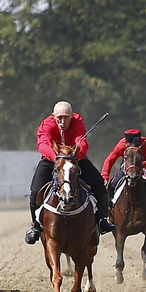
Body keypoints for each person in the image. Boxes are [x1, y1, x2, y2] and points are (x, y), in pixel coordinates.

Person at [24, 101, 115, 245]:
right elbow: (43, 143)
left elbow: (82, 142)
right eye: (59, 117)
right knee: (35, 191)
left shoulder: (78, 121)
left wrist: (73, 157)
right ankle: (35, 226)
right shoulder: (47, 124)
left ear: (72, 116)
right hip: (52, 159)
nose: (62, 121)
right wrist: (57, 159)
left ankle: (102, 219)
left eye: (66, 117)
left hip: (74, 158)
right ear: (53, 116)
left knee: (98, 184)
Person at [101, 128, 146, 211]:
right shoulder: (121, 144)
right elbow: (109, 160)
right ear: (126, 143)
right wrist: (105, 176)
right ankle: (108, 205)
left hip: (143, 168)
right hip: (127, 167)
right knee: (114, 183)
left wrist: (142, 164)